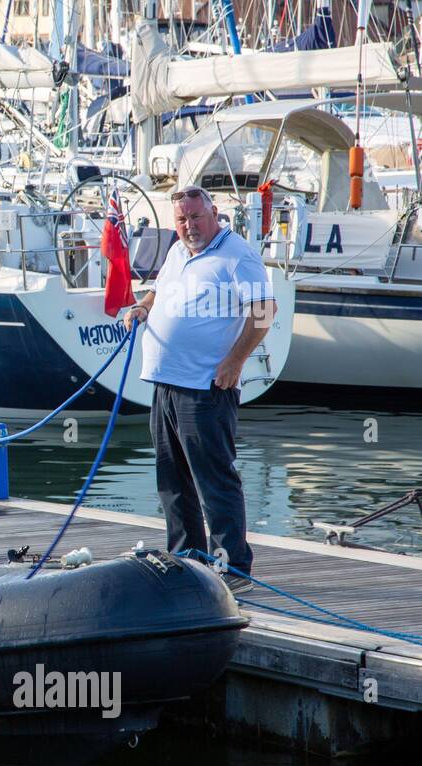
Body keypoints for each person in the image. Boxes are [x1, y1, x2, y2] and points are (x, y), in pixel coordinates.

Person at [123, 185, 277, 594]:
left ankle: (232, 567)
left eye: (195, 217)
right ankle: (186, 559)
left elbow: (264, 311)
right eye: (181, 219)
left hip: (206, 386)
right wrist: (144, 306)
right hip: (166, 383)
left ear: (213, 212)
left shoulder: (237, 254)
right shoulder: (177, 252)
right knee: (172, 479)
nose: (189, 226)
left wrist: (235, 361)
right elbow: (160, 290)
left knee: (214, 480)